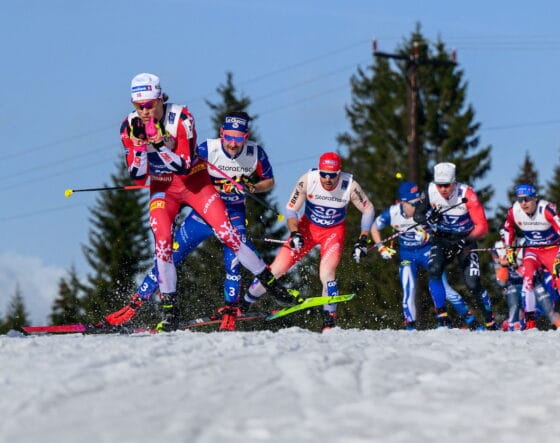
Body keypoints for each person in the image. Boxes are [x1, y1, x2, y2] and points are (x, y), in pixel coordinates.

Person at [120, 74, 297, 331]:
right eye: (139, 106)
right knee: (162, 243)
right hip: (163, 189)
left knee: (230, 236)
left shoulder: (181, 118)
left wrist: (159, 144)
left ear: (160, 98)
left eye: (150, 104)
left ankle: (273, 286)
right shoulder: (128, 126)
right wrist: (138, 149)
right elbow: (137, 176)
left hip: (195, 184)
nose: (145, 112)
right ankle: (170, 310)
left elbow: (183, 166)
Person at [104, 111, 275, 330]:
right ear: (222, 133)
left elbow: (268, 181)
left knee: (234, 259)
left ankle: (231, 311)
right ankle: (136, 303)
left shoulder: (255, 153)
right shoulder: (207, 148)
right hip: (202, 213)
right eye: (229, 137)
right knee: (170, 254)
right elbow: (187, 172)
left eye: (238, 138)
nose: (233, 143)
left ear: (246, 136)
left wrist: (251, 186)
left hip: (233, 212)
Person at [240, 151, 374, 331]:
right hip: (306, 228)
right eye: (324, 174)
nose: (327, 179)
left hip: (333, 232)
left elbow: (368, 209)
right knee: (275, 270)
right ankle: (243, 304)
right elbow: (290, 209)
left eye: (332, 175)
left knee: (327, 274)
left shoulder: (349, 185)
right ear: (319, 171)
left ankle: (329, 321)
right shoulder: (308, 179)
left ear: (339, 172)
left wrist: (363, 238)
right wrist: (295, 233)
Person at [371, 181, 481, 330]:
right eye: (413, 204)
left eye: (419, 203)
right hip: (407, 255)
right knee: (408, 286)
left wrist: (428, 237)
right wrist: (381, 248)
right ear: (402, 203)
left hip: (427, 250)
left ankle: (470, 320)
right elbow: (374, 227)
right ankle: (410, 326)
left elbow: (442, 232)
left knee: (443, 287)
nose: (418, 207)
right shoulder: (392, 213)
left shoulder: (426, 211)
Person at [413, 161, 497, 329]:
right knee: (434, 270)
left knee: (473, 284)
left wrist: (464, 241)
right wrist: (429, 218)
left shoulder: (467, 194)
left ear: (454, 182)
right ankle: (443, 318)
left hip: (465, 240)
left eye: (447, 185)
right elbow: (417, 215)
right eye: (440, 185)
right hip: (442, 239)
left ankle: (490, 321)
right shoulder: (430, 191)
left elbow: (483, 227)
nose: (443, 189)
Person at [500, 183, 560, 331]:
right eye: (520, 199)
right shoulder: (514, 211)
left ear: (535, 199)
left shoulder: (546, 210)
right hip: (533, 251)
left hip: (553, 251)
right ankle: (530, 323)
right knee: (528, 280)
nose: (524, 203)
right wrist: (509, 248)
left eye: (527, 199)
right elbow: (507, 228)